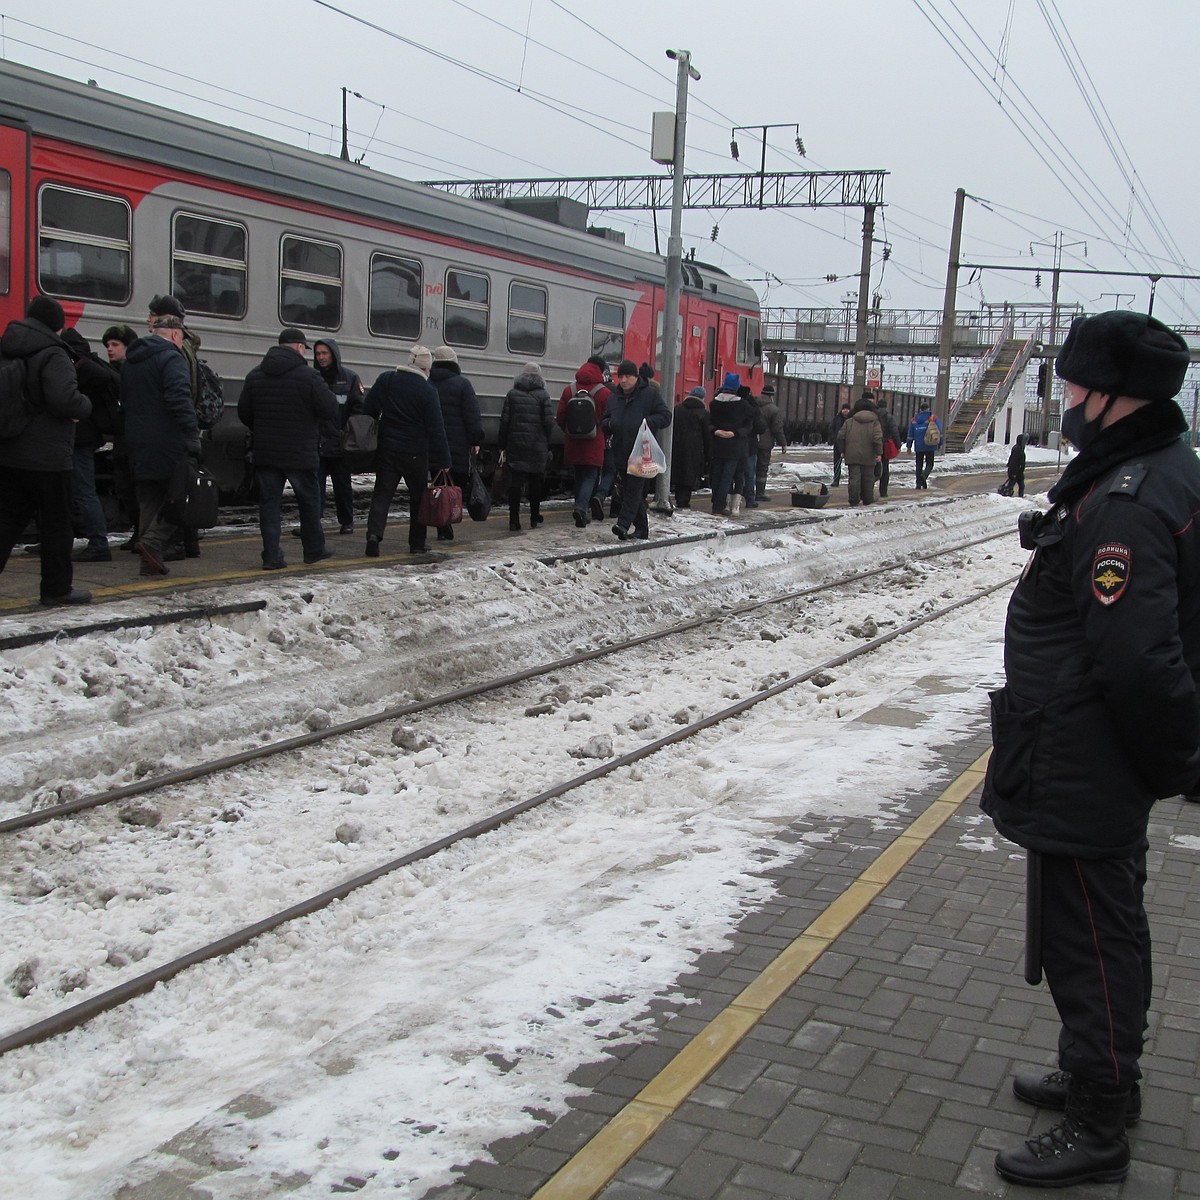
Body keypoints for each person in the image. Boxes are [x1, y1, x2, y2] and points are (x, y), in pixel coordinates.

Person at [980, 311, 1200, 1189]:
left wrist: (1178, 761)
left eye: (1075, 385)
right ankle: (1093, 1064)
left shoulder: (1125, 501)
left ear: (1115, 395)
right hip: (1078, 747)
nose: (1066, 399)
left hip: (1087, 753)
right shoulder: (1152, 473)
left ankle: (1101, 1115)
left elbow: (1140, 659)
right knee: (1094, 926)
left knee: (1093, 939)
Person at [0, 296, 92, 606]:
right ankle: (56, 590)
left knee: (7, 521)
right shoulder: (53, 353)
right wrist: (85, 406)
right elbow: (64, 399)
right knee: (56, 525)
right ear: (57, 325)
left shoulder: (8, 346)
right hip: (49, 457)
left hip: (10, 451)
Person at [237, 328, 337, 570]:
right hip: (300, 452)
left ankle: (271, 556)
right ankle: (313, 549)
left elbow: (244, 413)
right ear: (300, 348)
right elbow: (330, 409)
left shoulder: (255, 375)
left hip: (267, 451)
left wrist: (263, 428)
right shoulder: (309, 377)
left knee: (269, 504)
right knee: (309, 501)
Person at [121, 313, 198, 577]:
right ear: (176, 335)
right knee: (181, 497)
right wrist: (191, 433)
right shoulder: (172, 358)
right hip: (167, 440)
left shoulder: (131, 361)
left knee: (149, 500)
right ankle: (153, 542)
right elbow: (179, 399)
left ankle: (149, 562)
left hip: (137, 439)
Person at [362, 344, 450, 556]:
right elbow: (436, 428)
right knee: (418, 499)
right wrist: (444, 460)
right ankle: (416, 544)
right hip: (416, 453)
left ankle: (374, 536)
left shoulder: (387, 379)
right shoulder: (428, 390)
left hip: (387, 449)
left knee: (382, 494)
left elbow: (369, 409)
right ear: (426, 369)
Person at [61, 328, 121, 563]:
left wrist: (80, 398)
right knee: (70, 490)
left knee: (84, 491)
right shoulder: (85, 363)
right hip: (80, 437)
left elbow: (102, 378)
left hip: (81, 438)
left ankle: (99, 543)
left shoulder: (83, 365)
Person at [603, 358, 670, 539]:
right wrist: (609, 424)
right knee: (629, 490)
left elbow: (665, 416)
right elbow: (605, 419)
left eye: (627, 376)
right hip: (621, 451)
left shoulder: (649, 395)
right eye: (620, 376)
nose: (623, 380)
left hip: (641, 451)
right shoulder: (614, 397)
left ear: (636, 377)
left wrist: (648, 422)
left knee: (633, 489)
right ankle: (642, 529)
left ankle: (623, 524)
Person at [310, 337, 364, 535]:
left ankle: (347, 521)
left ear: (333, 354)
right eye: (318, 354)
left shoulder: (349, 378)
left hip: (341, 444)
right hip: (318, 443)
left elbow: (359, 407)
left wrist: (347, 433)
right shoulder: (312, 377)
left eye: (324, 353)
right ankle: (313, 523)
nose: (321, 357)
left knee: (343, 486)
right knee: (315, 487)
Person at [430, 345, 483, 540]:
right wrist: (476, 439)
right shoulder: (463, 384)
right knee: (455, 487)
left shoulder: (429, 383)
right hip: (458, 446)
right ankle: (448, 521)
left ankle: (442, 525)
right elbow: (472, 416)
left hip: (435, 445)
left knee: (438, 487)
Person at [498, 361, 554, 532]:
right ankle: (534, 517)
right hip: (537, 446)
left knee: (515, 483)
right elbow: (548, 423)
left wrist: (502, 445)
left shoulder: (512, 394)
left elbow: (504, 421)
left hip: (516, 444)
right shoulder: (543, 395)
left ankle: (513, 520)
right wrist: (546, 442)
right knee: (535, 482)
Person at [555, 357, 611, 527]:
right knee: (590, 475)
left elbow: (560, 417)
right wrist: (603, 435)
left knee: (579, 475)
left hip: (573, 441)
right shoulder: (604, 392)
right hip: (594, 441)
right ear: (601, 371)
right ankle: (581, 508)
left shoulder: (569, 390)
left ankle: (581, 506)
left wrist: (570, 432)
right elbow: (609, 419)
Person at [100, 324, 139, 550]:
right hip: (123, 440)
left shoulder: (128, 372)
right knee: (126, 487)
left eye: (115, 345)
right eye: (108, 345)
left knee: (132, 488)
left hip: (130, 440)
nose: (110, 349)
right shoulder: (115, 372)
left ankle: (142, 533)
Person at [707, 372, 755, 517]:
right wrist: (736, 433)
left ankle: (716, 502)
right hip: (735, 446)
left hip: (718, 444)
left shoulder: (714, 403)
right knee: (728, 476)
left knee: (717, 475)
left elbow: (709, 423)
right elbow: (750, 423)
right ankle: (719, 505)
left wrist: (716, 431)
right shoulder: (743, 405)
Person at [837, 391, 882, 506]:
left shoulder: (849, 422)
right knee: (868, 478)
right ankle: (867, 499)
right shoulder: (875, 422)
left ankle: (853, 499)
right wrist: (878, 453)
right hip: (869, 454)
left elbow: (841, 436)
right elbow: (877, 438)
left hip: (852, 453)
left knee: (854, 478)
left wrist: (842, 450)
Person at [671, 385, 710, 509]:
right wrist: (708, 455)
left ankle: (677, 497)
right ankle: (683, 501)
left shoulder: (677, 409)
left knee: (677, 472)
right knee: (689, 474)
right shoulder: (704, 413)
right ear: (702, 398)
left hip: (676, 447)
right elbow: (707, 436)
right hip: (694, 449)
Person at [753, 383, 786, 501]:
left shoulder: (752, 404)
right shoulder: (773, 409)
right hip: (765, 443)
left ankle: (747, 492)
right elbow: (777, 428)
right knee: (762, 468)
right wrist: (783, 443)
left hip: (751, 441)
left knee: (749, 467)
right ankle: (760, 493)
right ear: (772, 396)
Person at [906, 401, 941, 489]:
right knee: (930, 463)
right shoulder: (933, 418)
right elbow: (938, 431)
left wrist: (909, 446)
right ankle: (924, 476)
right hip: (930, 444)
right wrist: (940, 442)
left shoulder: (914, 420)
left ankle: (918, 484)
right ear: (928, 409)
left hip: (918, 445)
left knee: (919, 464)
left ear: (920, 410)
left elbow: (910, 434)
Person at [874, 394, 903, 500]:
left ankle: (869, 488)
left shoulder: (873, 416)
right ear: (885, 406)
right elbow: (894, 431)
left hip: (874, 445)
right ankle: (883, 492)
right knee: (885, 469)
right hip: (885, 445)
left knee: (873, 468)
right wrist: (898, 444)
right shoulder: (888, 417)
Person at [829, 400, 852, 486]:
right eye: (844, 409)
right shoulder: (837, 418)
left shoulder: (852, 419)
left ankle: (851, 481)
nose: (845, 410)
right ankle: (836, 480)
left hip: (849, 444)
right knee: (837, 463)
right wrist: (833, 438)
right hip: (838, 444)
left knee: (851, 464)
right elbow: (831, 428)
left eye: (847, 409)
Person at [1005, 432, 1027, 497]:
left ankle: (1019, 497)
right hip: (1015, 471)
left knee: (1020, 485)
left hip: (1018, 472)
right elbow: (1013, 461)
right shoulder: (1017, 449)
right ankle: (1007, 496)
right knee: (1012, 485)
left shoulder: (1020, 448)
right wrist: (1014, 473)